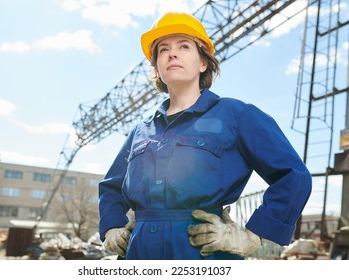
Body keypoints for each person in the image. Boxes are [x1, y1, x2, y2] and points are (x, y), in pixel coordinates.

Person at [98, 11, 312, 260]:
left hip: (203, 253)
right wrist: (112, 227)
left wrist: (254, 235)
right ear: (157, 67)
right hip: (140, 253)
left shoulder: (237, 115)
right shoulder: (140, 131)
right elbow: (111, 187)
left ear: (203, 63)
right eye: (163, 50)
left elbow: (293, 176)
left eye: (184, 46)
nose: (172, 53)